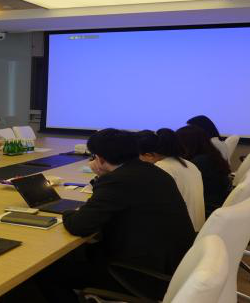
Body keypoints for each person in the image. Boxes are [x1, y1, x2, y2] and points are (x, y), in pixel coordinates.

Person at [37, 129, 195, 301]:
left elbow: (79, 226)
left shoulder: (118, 180)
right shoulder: (154, 171)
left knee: (48, 271)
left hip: (139, 275)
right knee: (77, 253)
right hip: (172, 266)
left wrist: (68, 212)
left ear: (100, 159)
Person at [137, 129, 205, 232]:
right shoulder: (189, 164)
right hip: (197, 231)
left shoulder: (160, 168)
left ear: (148, 155)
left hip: (178, 232)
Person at [176, 125, 231, 217]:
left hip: (205, 208)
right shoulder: (212, 156)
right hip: (216, 203)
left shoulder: (198, 163)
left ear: (186, 143)